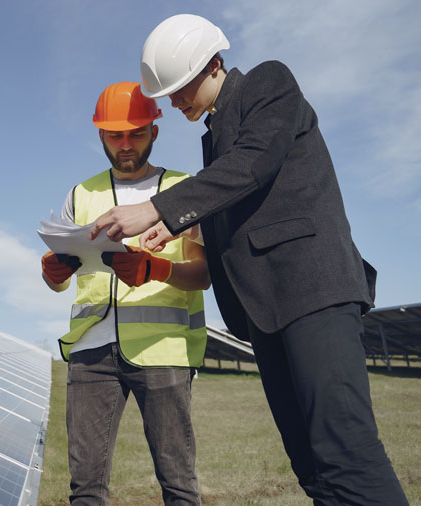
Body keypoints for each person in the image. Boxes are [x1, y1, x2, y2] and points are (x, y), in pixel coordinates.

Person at [89, 14, 408, 505]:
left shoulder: (269, 82)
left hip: (313, 292)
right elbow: (243, 204)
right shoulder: (214, 141)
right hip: (267, 311)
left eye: (179, 88)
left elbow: (253, 163)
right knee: (311, 464)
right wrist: (183, 227)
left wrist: (158, 208)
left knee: (346, 452)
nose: (172, 102)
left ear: (214, 64)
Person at [42, 81, 211, 505]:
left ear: (155, 131)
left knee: (178, 486)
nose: (126, 144)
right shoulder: (80, 195)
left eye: (136, 133)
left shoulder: (185, 189)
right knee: (85, 489)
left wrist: (157, 268)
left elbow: (205, 274)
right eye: (115, 135)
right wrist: (52, 272)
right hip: (90, 353)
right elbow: (60, 282)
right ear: (101, 135)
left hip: (164, 351)